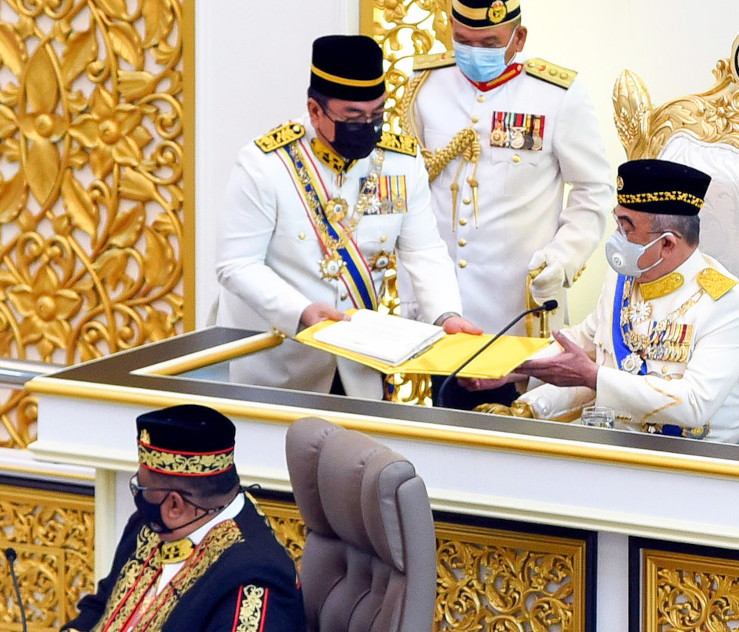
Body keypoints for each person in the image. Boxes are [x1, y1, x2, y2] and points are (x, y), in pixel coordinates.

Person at [216, 35, 480, 396]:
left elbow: (424, 251)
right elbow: (236, 265)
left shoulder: (401, 163)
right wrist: (301, 312)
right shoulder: (265, 165)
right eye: (353, 117)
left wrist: (446, 314)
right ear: (315, 110)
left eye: (377, 114)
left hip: (359, 366)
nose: (368, 126)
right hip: (278, 364)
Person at [401, 0, 613, 409]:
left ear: (519, 37)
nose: (474, 52)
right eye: (464, 40)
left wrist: (562, 259)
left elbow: (594, 191)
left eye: (489, 43)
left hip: (517, 311)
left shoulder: (557, 94)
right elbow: (411, 188)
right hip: (440, 311)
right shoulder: (425, 86)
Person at [474, 160, 739, 444]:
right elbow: (584, 340)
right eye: (617, 223)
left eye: (626, 229)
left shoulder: (727, 303)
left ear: (667, 244)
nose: (617, 239)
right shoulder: (622, 278)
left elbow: (695, 404)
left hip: (692, 462)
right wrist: (510, 367)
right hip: (613, 450)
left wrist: (595, 377)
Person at [61, 404, 304, 631]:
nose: (139, 497)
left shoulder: (255, 581)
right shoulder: (148, 528)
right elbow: (101, 606)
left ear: (174, 505)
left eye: (141, 488)